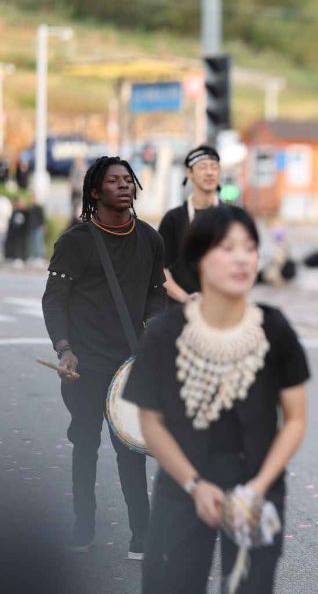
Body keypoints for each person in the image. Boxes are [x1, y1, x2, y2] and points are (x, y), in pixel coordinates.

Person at [124, 205, 309, 593]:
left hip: (258, 487)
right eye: (226, 248)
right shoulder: (164, 333)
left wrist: (257, 488)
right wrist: (194, 485)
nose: (241, 258)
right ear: (198, 259)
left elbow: (294, 419)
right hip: (183, 487)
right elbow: (151, 422)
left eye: (249, 247)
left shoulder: (274, 328)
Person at [41, 156, 166, 557]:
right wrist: (64, 349)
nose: (124, 185)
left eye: (128, 179)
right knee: (85, 445)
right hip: (85, 362)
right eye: (114, 180)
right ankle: (84, 524)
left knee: (132, 449)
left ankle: (142, 534)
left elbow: (156, 295)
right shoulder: (76, 242)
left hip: (130, 364)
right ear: (95, 191)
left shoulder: (150, 239)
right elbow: (54, 299)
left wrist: (154, 328)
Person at [159, 145, 222, 303]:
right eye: (202, 167)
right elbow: (159, 270)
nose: (209, 172)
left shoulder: (233, 217)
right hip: (180, 307)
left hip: (221, 307)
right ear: (190, 173)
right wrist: (185, 299)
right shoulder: (173, 218)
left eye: (214, 167)